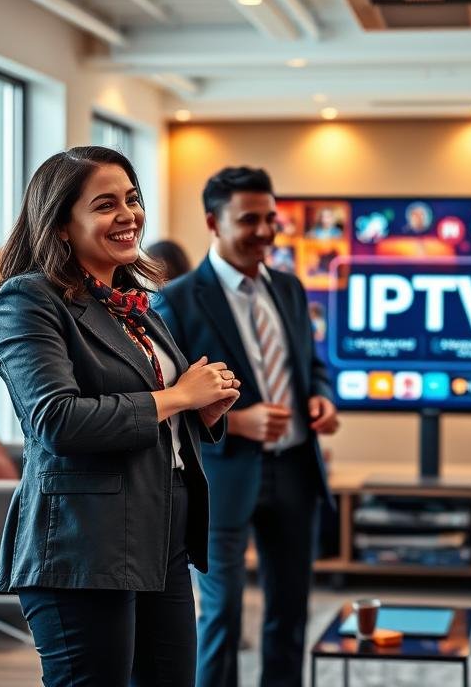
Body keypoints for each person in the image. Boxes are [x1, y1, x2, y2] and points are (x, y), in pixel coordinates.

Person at [0, 146, 241, 687]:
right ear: (58, 225)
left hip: (160, 536)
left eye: (132, 199)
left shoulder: (128, 300)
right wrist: (178, 398)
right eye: (105, 205)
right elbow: (57, 421)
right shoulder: (28, 299)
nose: (128, 215)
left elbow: (156, 410)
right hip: (84, 545)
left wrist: (203, 412)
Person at [153, 166, 339, 687]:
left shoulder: (290, 288)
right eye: (249, 219)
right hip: (221, 477)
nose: (264, 230)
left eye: (270, 218)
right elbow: (171, 400)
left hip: (297, 472)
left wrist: (320, 398)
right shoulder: (177, 301)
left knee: (290, 615)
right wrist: (237, 421)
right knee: (222, 619)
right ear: (213, 222)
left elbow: (312, 364)